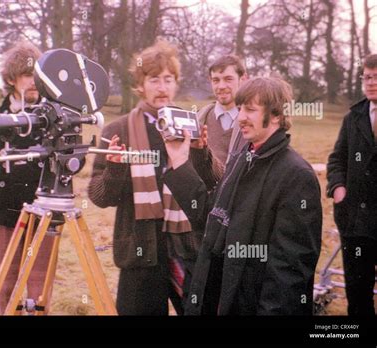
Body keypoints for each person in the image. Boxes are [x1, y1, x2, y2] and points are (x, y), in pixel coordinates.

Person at [163, 77, 322, 315]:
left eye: (250, 109)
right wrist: (179, 160)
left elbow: (288, 274)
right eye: (240, 109)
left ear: (277, 115)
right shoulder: (242, 158)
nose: (241, 118)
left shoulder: (297, 176)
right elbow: (208, 215)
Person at [88, 40, 223, 315]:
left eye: (168, 79)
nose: (162, 87)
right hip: (140, 251)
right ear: (140, 85)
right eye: (154, 80)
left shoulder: (190, 124)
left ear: (175, 83)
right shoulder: (119, 130)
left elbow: (215, 183)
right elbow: (99, 196)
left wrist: (200, 153)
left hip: (186, 246)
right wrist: (114, 168)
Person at [0, 42, 54, 314]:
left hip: (47, 213)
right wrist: (7, 172)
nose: (34, 83)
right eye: (28, 76)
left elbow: (75, 161)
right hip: (6, 213)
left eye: (38, 77)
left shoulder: (55, 114)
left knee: (40, 286)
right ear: (11, 79)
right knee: (6, 285)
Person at [327, 53, 377, 316]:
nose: (371, 82)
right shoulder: (353, 118)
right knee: (358, 297)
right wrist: (338, 189)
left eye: (376, 77)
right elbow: (336, 159)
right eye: (367, 77)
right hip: (356, 222)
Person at [197, 55, 248, 164]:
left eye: (228, 79)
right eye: (216, 80)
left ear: (243, 79)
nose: (221, 86)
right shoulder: (199, 119)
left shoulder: (253, 121)